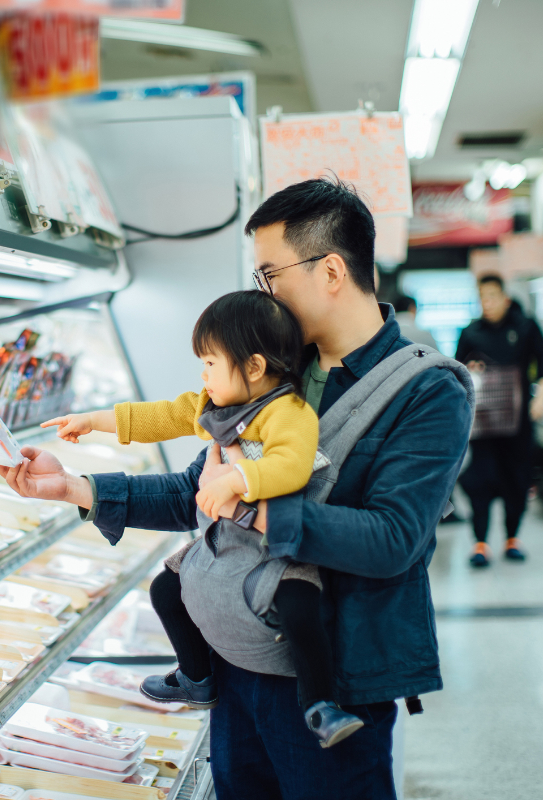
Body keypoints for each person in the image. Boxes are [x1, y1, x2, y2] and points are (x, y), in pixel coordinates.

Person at [0, 178, 472, 800]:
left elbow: (393, 541)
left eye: (270, 275)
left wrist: (251, 502)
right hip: (236, 658)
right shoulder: (274, 370)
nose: (263, 293)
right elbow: (193, 491)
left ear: (331, 270)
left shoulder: (427, 391)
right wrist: (74, 488)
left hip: (332, 679)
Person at [43, 290, 365, 748]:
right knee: (165, 589)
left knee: (299, 604)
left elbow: (290, 466)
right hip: (227, 546)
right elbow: (164, 416)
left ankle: (320, 704)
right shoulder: (216, 408)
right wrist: (93, 420)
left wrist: (235, 481)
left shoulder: (288, 413)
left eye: (211, 363)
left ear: (253, 367)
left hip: (278, 547)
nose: (203, 374)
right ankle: (196, 677)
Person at [455, 274, 543, 567]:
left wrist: (541, 399)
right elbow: (458, 373)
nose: (487, 304)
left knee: (517, 479)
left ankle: (512, 538)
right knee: (480, 480)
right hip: (484, 425)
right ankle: (481, 543)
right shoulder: (471, 332)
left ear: (504, 297)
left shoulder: (526, 326)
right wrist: (470, 369)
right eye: (482, 298)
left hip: (519, 424)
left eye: (492, 297)